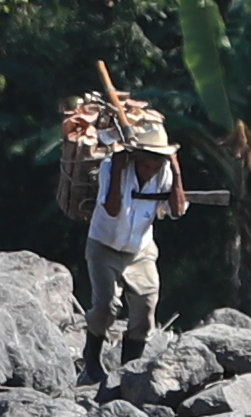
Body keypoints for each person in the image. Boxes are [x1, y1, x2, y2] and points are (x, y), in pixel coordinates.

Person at [62, 75, 189, 388]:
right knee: (106, 305)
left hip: (140, 248)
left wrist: (175, 169)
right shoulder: (112, 167)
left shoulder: (164, 173)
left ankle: (128, 372)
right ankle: (91, 362)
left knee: (145, 309)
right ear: (137, 157)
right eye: (148, 163)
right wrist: (119, 165)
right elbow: (114, 209)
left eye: (158, 163)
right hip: (104, 245)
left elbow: (177, 210)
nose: (152, 168)